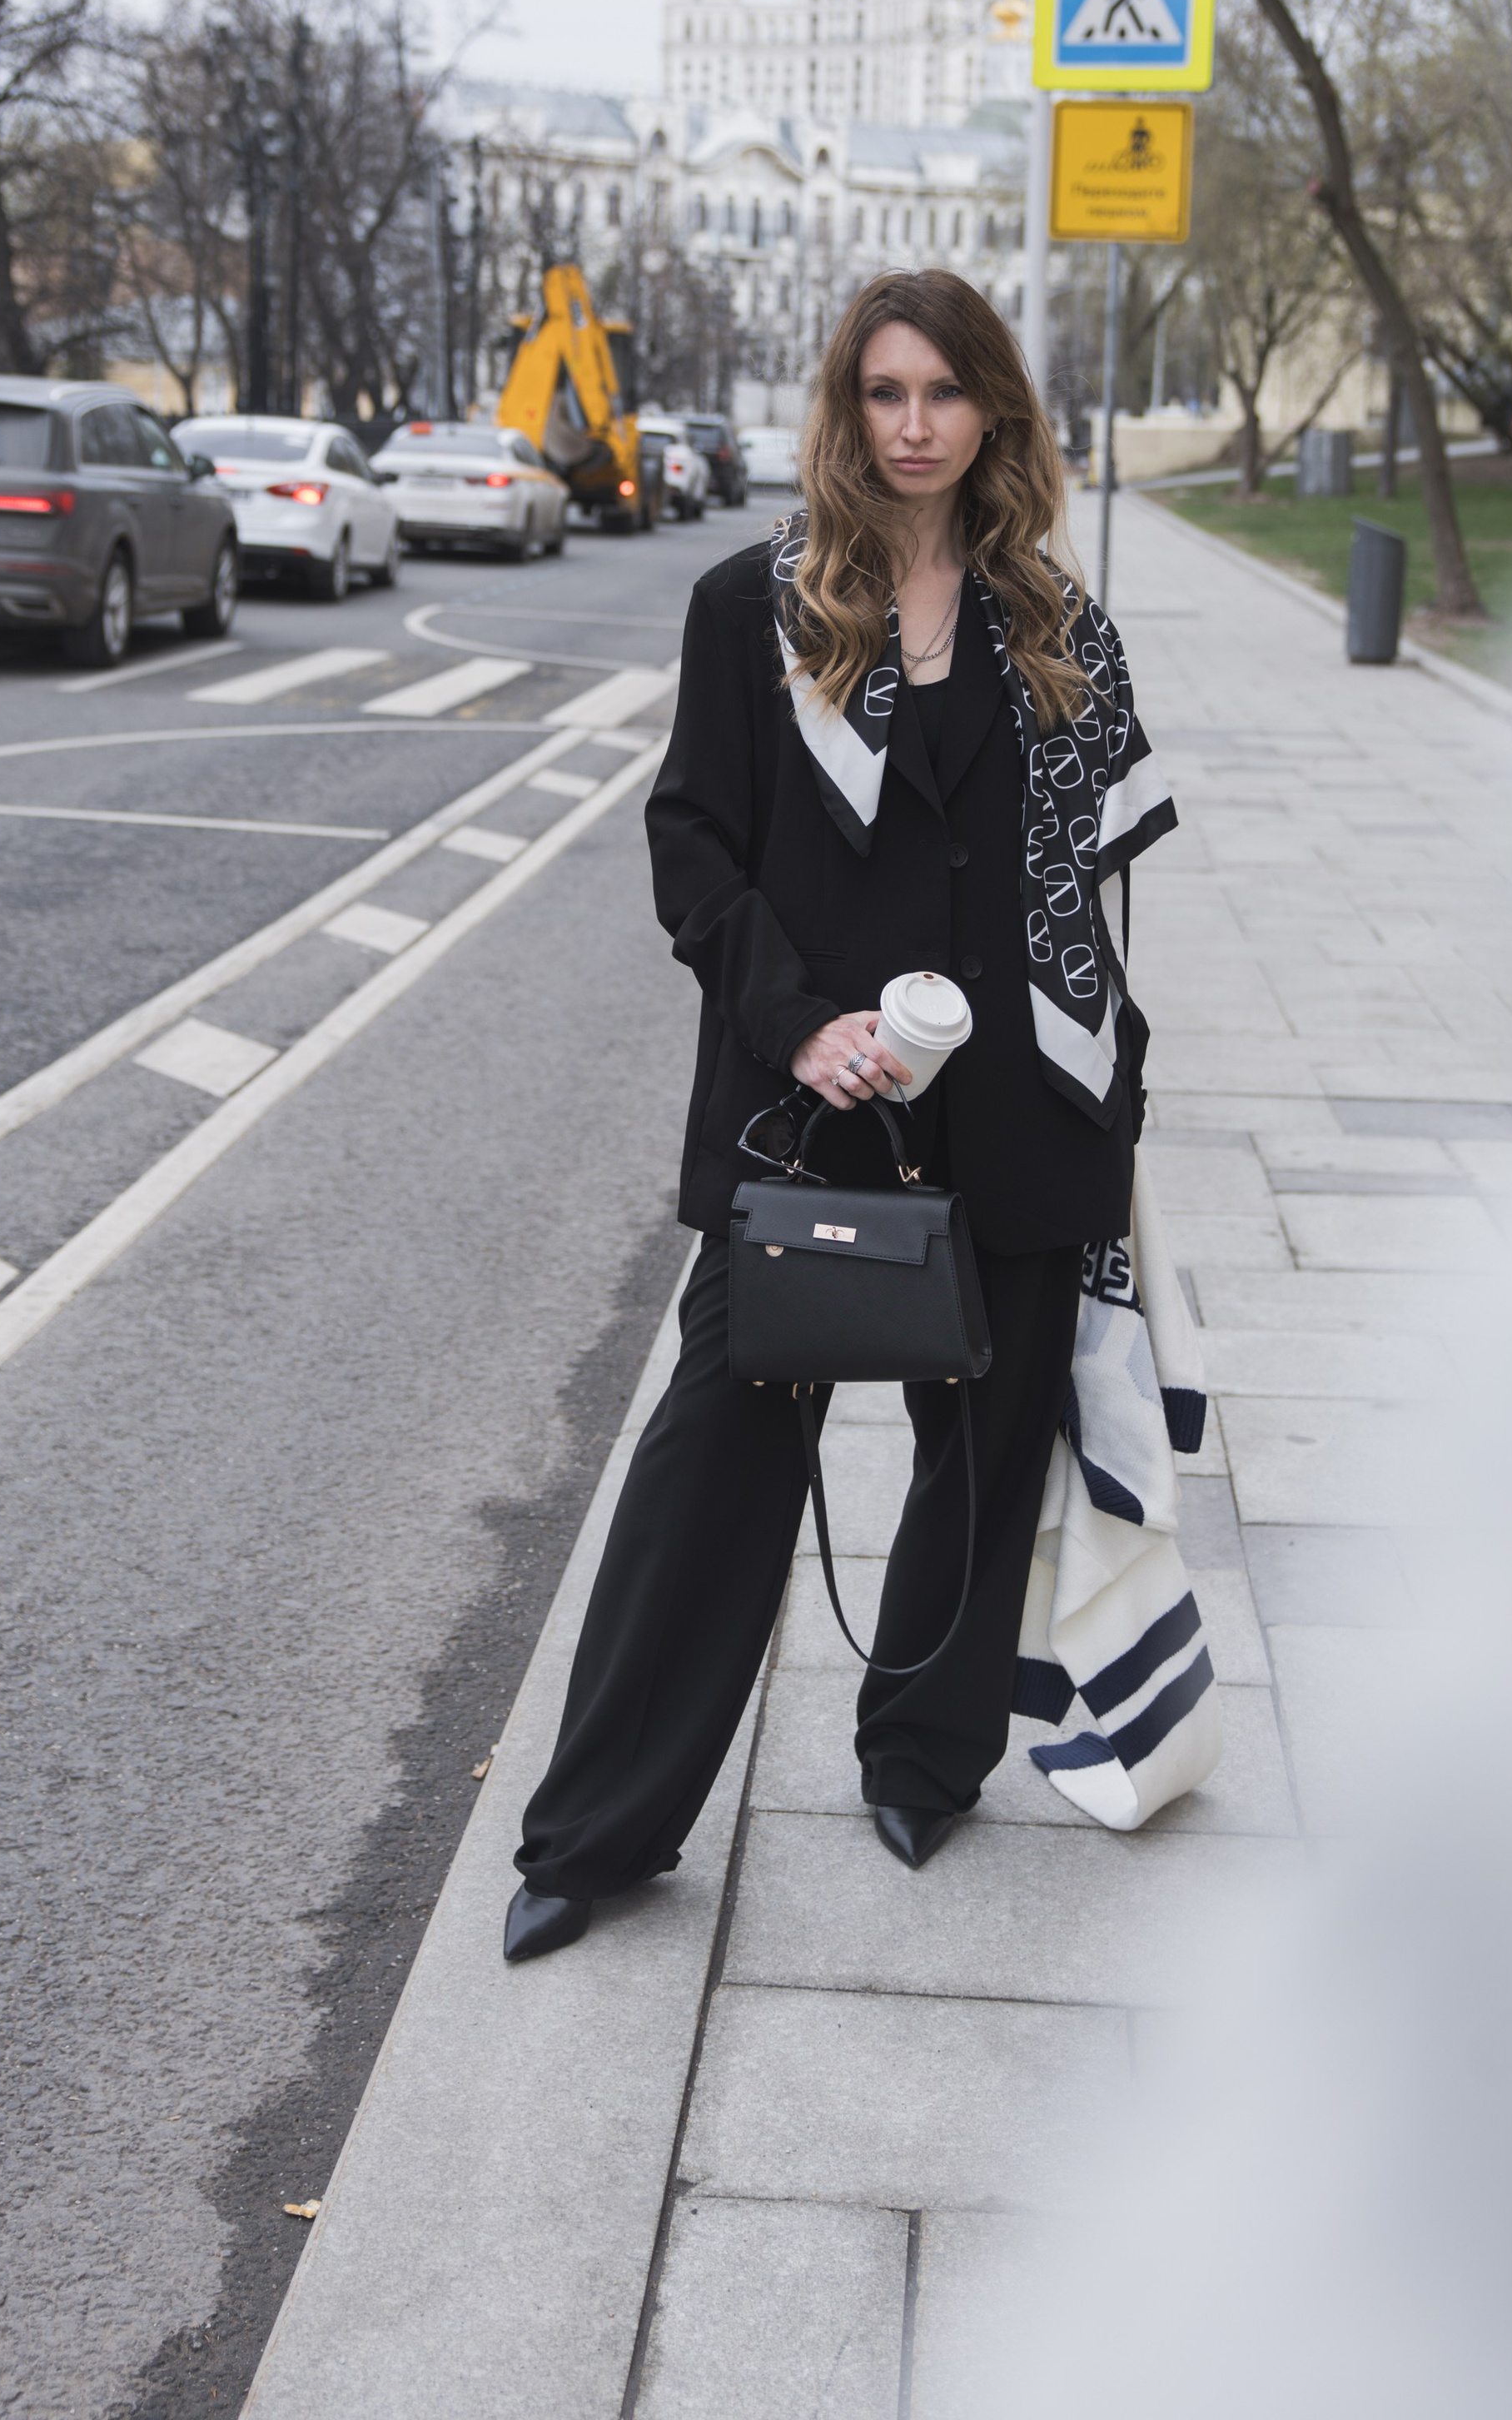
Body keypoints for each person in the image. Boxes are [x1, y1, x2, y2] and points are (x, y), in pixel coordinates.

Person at [505, 268, 1176, 1964]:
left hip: (1022, 1104)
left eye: (944, 392)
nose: (913, 425)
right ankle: (596, 1833)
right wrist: (801, 1028)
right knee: (712, 1461)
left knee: (985, 1454)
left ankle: (923, 1762)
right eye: (884, 392)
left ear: (993, 411)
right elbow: (692, 849)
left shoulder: (1056, 622)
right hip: (815, 1108)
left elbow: (1098, 888)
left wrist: (1114, 1087)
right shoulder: (755, 609)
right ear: (843, 408)